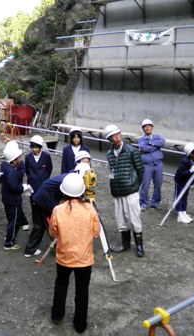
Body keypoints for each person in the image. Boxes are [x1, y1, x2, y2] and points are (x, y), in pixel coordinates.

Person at [49, 173, 100, 333]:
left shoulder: (57, 210)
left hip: (64, 257)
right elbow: (96, 232)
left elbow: (53, 233)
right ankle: (80, 324)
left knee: (61, 285)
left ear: (64, 191)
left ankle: (57, 315)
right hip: (84, 259)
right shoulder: (90, 209)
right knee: (82, 290)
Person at [104, 124, 145, 257]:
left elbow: (140, 170)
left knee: (134, 218)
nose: (117, 137)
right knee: (120, 220)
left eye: (118, 134)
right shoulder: (109, 154)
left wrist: (135, 185)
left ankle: (139, 245)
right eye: (113, 136)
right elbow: (112, 170)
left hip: (131, 191)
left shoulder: (131, 150)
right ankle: (125, 244)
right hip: (117, 192)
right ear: (109, 139)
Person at [0, 142, 31, 250]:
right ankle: (9, 243)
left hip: (6, 198)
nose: (20, 158)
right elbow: (14, 188)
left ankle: (9, 238)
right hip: (13, 200)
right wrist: (24, 187)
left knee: (11, 219)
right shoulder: (12, 172)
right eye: (18, 157)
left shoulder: (5, 167)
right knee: (15, 221)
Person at [25, 135, 53, 243]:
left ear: (40, 147)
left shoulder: (46, 156)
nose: (34, 150)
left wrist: (44, 180)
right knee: (34, 207)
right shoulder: (28, 157)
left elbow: (49, 169)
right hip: (32, 187)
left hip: (43, 186)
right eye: (32, 147)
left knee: (45, 207)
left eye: (36, 147)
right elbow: (27, 170)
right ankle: (36, 225)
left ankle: (47, 226)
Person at [138, 119, 165, 211]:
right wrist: (155, 146)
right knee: (145, 184)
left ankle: (155, 203)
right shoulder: (141, 139)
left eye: (149, 126)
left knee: (158, 184)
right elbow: (144, 148)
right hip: (147, 165)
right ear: (143, 129)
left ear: (152, 127)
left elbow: (162, 142)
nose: (147, 128)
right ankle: (143, 203)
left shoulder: (157, 137)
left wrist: (151, 143)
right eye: (145, 127)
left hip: (158, 164)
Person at [174, 142, 194, 224]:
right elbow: (182, 174)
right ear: (191, 153)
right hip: (180, 181)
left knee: (185, 197)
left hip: (187, 182)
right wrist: (190, 170)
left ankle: (184, 212)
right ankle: (179, 215)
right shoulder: (184, 161)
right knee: (179, 197)